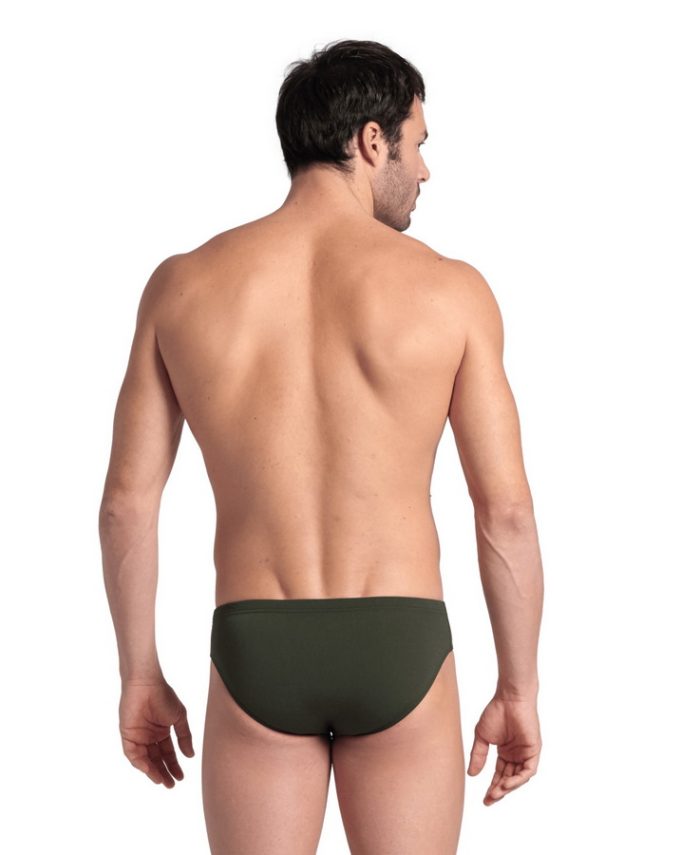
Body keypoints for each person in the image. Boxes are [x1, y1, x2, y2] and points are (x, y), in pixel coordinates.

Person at [99, 38, 544, 855]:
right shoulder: (451, 291)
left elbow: (127, 504)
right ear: (372, 141)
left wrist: (138, 672)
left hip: (257, 641)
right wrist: (518, 687)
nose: (425, 170)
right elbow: (505, 511)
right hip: (399, 639)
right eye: (418, 143)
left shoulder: (182, 286)